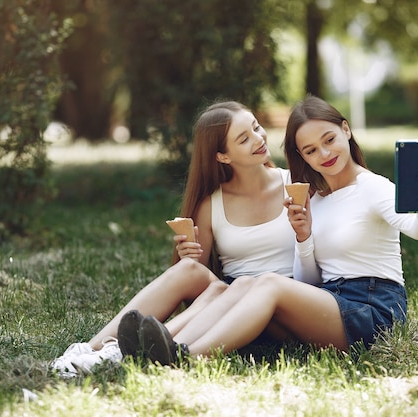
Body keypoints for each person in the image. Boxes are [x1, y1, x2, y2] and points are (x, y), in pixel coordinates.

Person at [119, 95, 418, 365]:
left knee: (267, 284)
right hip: (330, 300)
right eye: (310, 150)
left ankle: (185, 357)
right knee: (245, 285)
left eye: (329, 140)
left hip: (374, 309)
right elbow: (308, 281)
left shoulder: (373, 187)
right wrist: (303, 238)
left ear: (346, 131)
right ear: (302, 157)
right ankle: (161, 344)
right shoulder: (316, 198)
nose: (324, 154)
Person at [50, 101, 299, 376]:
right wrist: (188, 256)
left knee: (239, 287)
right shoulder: (211, 204)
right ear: (222, 157)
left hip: (280, 304)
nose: (259, 138)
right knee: (189, 270)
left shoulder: (296, 185)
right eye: (244, 138)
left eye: (256, 127)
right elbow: (201, 278)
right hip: (227, 299)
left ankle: (133, 351)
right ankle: (92, 349)